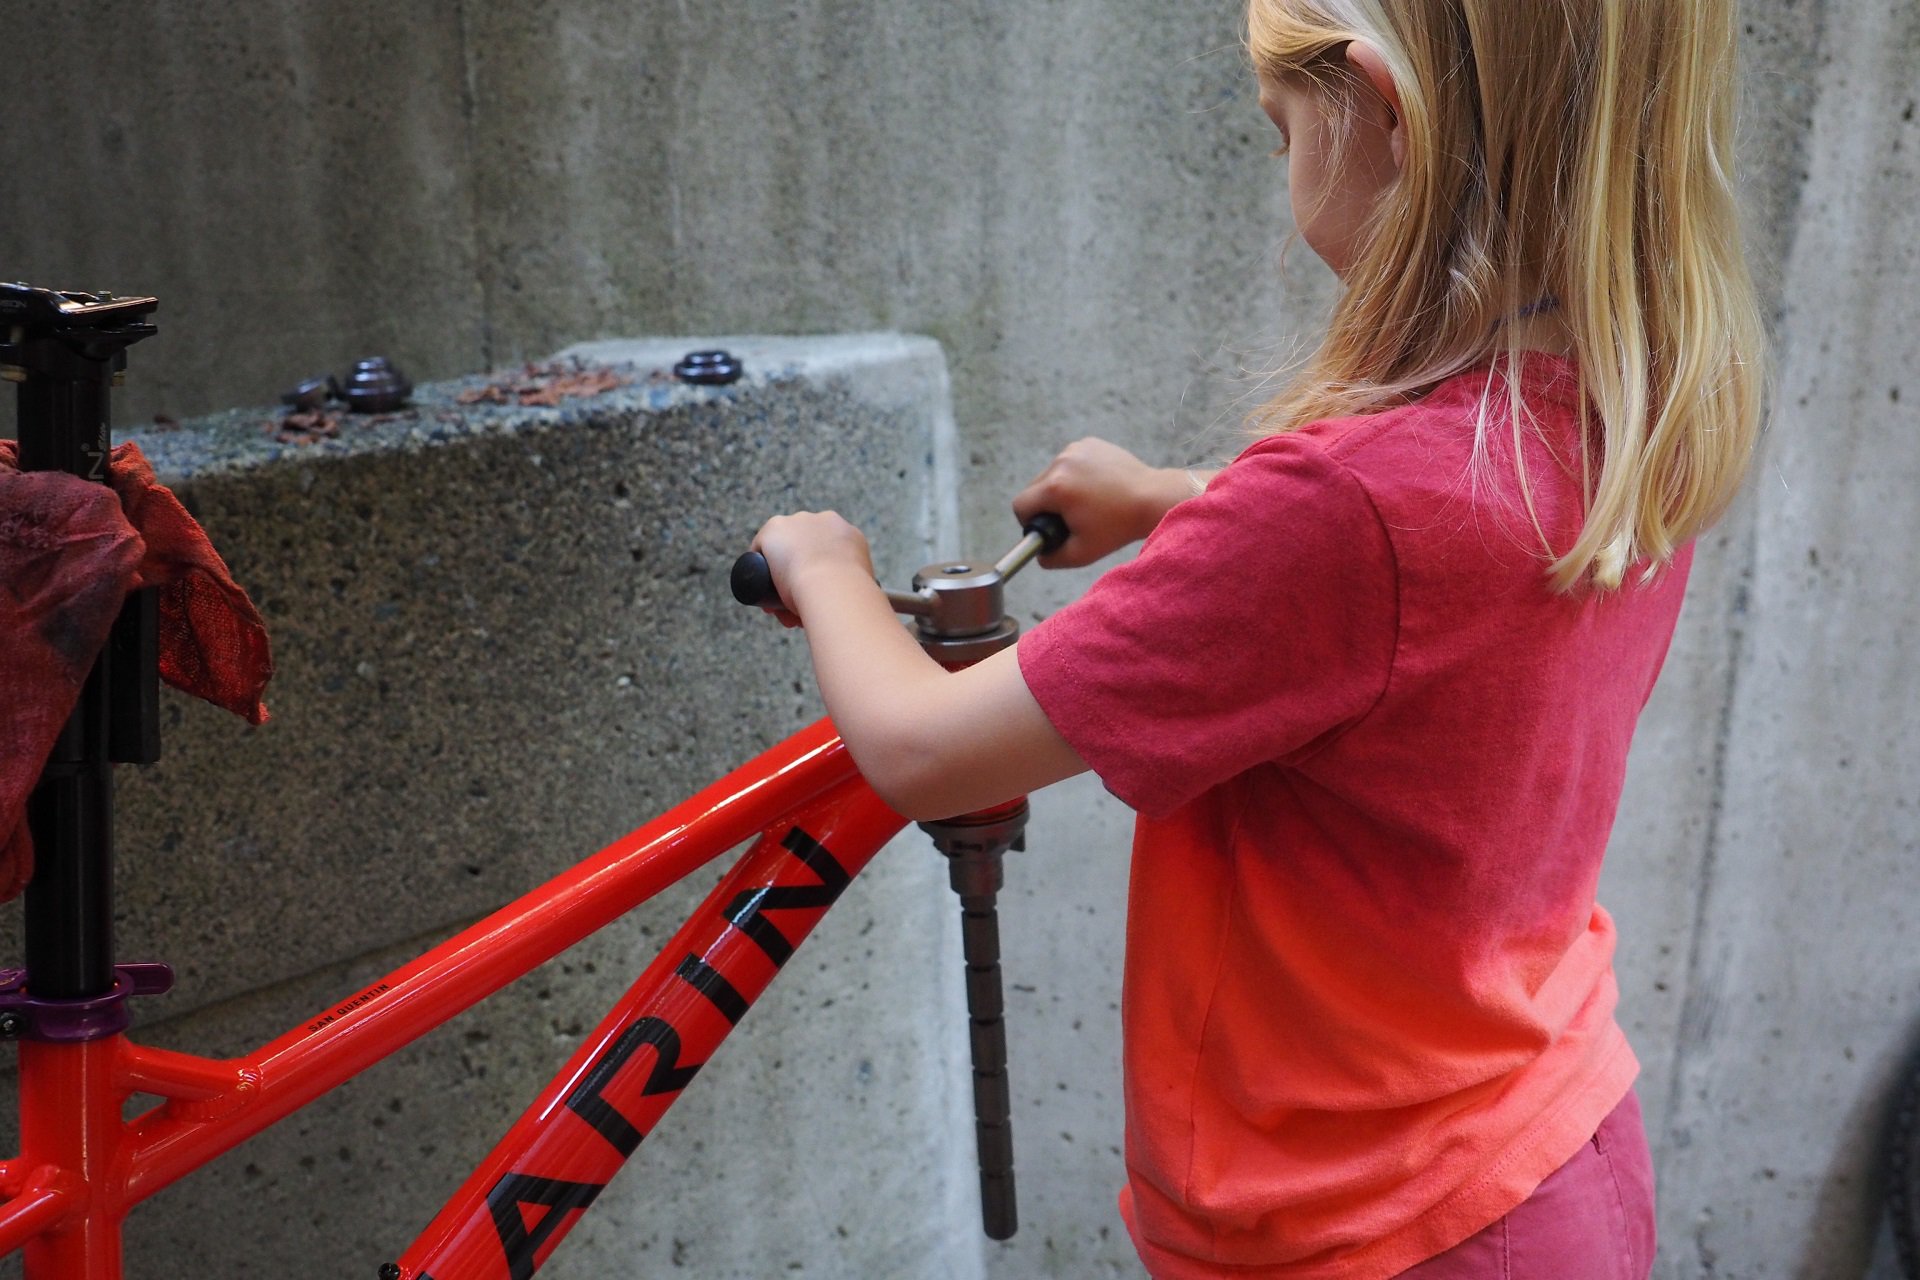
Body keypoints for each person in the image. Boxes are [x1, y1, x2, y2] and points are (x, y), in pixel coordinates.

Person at [749, 0, 1764, 1274]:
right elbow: (1427, 581)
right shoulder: (1626, 413)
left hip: (1376, 1224)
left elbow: (924, 744)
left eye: (1280, 128)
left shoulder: (1342, 513)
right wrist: (1178, 497)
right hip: (1553, 1153)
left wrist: (824, 563)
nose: (1281, 164)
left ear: (1382, 109)